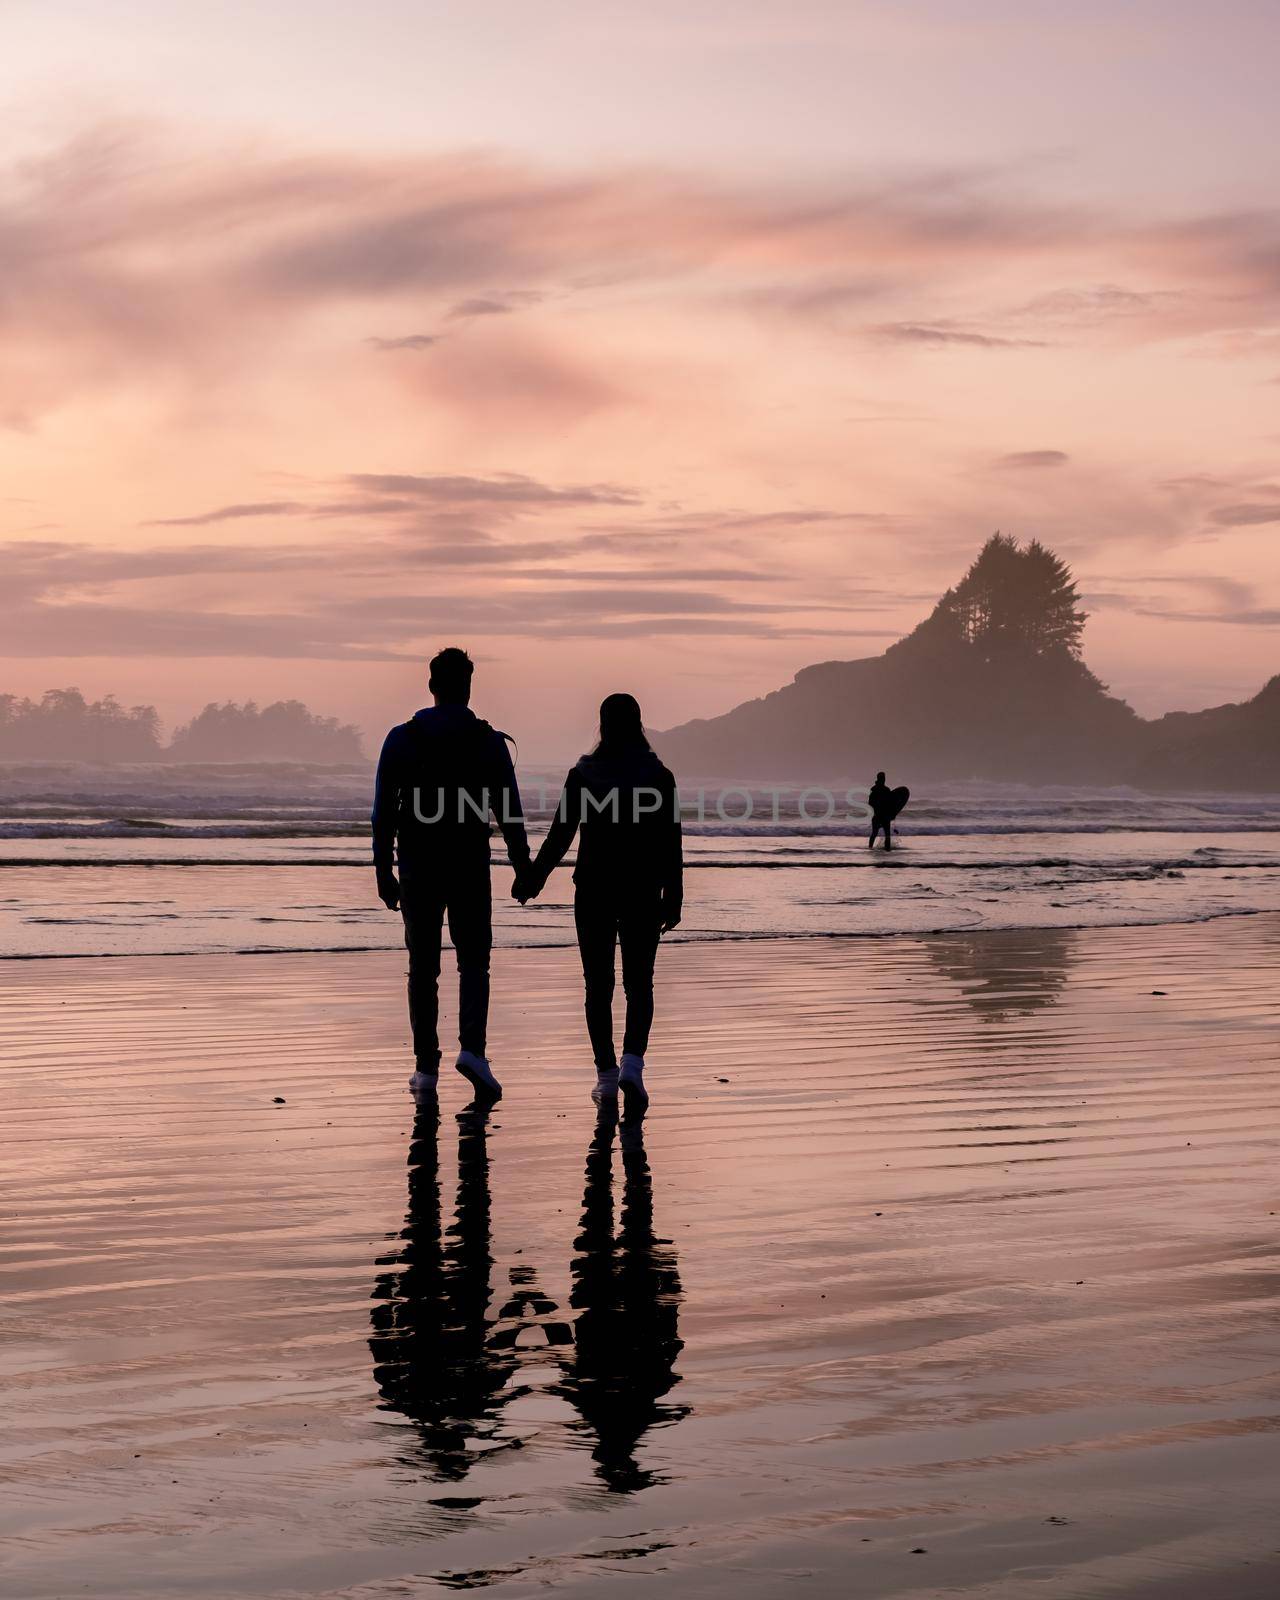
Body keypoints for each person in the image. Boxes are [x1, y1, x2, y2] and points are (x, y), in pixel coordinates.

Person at [372, 646, 529, 1099]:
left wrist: (384, 871)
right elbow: (510, 814)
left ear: (431, 685)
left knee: (423, 966)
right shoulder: (488, 741)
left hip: (419, 864)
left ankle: (426, 1069)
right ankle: (473, 1052)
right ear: (468, 686)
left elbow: (383, 813)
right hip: (468, 863)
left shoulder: (402, 738)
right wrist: (524, 871)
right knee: (474, 961)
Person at [519, 694, 682, 1116]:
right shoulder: (659, 775)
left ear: (603, 725)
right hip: (643, 889)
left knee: (598, 984)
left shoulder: (584, 773)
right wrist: (674, 894)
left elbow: (561, 835)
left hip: (593, 888)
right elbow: (670, 841)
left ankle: (606, 1074)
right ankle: (633, 1064)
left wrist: (533, 879)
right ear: (639, 723)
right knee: (639, 982)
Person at [868, 769, 894, 851]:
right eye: (882, 778)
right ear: (880, 779)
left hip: (883, 816)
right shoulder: (877, 790)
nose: (884, 779)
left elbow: (891, 803)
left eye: (884, 778)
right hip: (880, 816)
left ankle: (886, 849)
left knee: (885, 834)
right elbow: (870, 802)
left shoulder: (884, 790)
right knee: (876, 834)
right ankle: (871, 848)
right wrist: (878, 806)